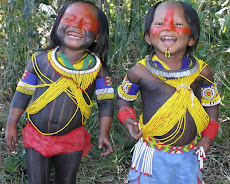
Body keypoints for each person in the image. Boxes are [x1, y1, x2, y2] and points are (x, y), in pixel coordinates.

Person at [5, 1, 114, 183]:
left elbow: (106, 103)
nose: (76, 26)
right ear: (57, 26)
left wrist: (104, 133)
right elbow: (22, 95)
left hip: (71, 140)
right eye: (70, 19)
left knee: (67, 180)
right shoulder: (39, 60)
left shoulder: (98, 69)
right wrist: (10, 124)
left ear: (97, 36)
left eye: (86, 23)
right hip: (36, 136)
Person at [116, 1, 221, 184]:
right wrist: (129, 120)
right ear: (148, 36)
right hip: (151, 155)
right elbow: (124, 99)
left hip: (189, 154)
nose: (169, 28)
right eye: (160, 23)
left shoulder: (202, 72)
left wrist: (208, 135)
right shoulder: (140, 72)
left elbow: (212, 104)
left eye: (179, 24)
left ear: (192, 38)